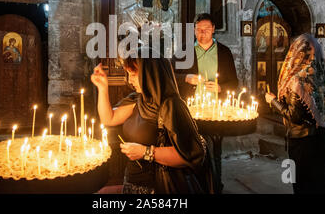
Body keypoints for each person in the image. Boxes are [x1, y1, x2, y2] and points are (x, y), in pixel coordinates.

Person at [91, 48, 214, 194]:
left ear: (150, 74)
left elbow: (191, 155)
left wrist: (146, 152)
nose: (130, 81)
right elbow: (109, 118)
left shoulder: (171, 106)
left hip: (159, 187)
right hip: (132, 182)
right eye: (129, 74)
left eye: (134, 75)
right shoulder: (138, 99)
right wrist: (102, 88)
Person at [173, 13, 238, 194]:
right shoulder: (184, 52)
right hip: (191, 112)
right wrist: (186, 77)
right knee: (191, 152)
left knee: (215, 152)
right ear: (194, 30)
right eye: (199, 30)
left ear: (213, 30)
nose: (202, 33)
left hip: (216, 112)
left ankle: (215, 186)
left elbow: (234, 83)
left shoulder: (224, 53)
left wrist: (220, 88)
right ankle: (194, 187)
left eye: (207, 30)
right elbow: (170, 77)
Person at [265, 33, 325, 194]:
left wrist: (273, 101)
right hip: (322, 140)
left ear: (296, 53)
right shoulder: (321, 74)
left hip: (303, 144)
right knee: (321, 186)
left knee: (303, 185)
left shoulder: (298, 81)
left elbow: (294, 115)